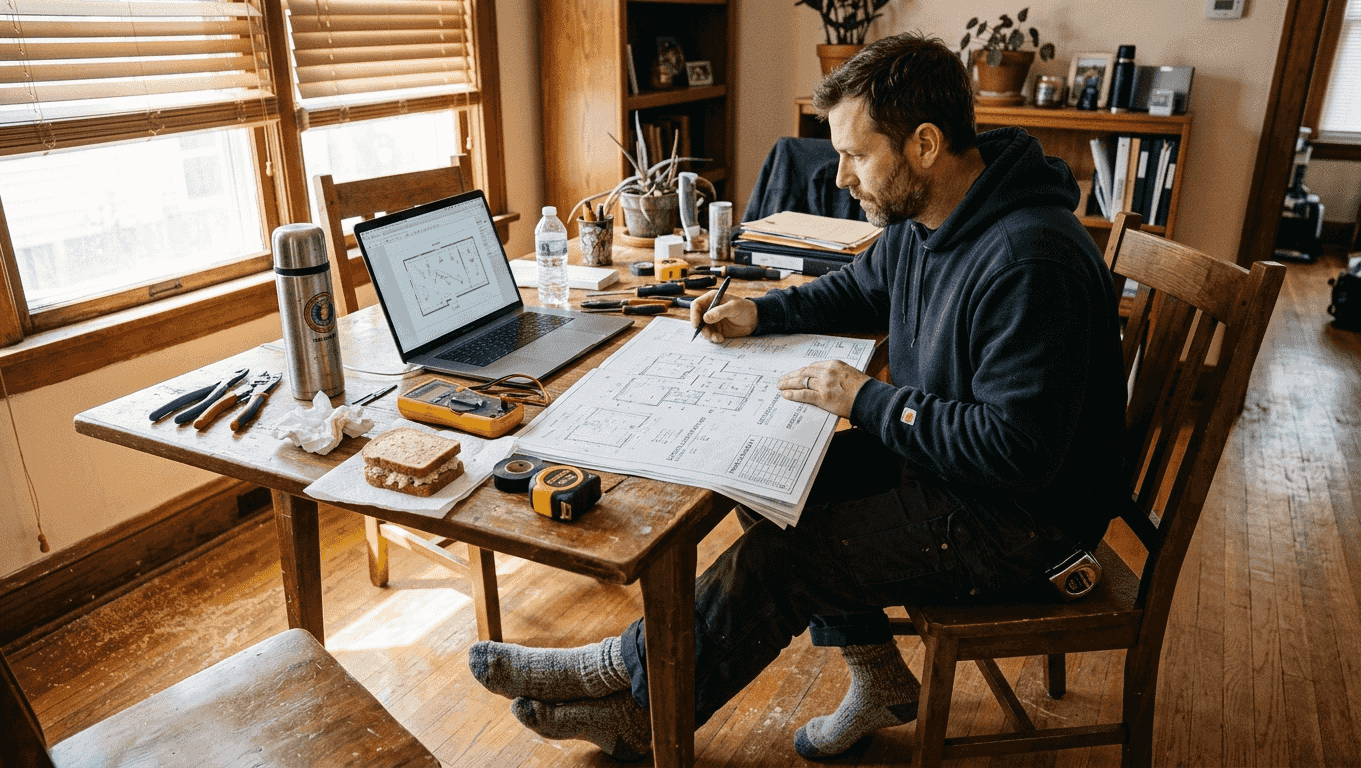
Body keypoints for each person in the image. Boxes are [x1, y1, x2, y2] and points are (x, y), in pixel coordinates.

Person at [466, 32, 1127, 761]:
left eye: (855, 153)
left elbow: (1019, 451)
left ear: (926, 144)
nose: (840, 176)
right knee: (769, 476)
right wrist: (763, 312)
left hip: (1021, 523)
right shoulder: (931, 216)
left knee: (787, 561)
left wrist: (864, 401)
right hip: (957, 473)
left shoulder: (1030, 259)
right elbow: (859, 289)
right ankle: (874, 677)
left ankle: (632, 695)